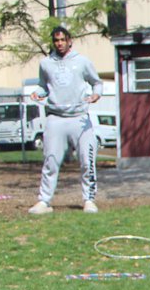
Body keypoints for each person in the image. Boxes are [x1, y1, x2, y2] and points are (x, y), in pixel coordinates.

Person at [27, 26, 103, 215]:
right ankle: (44, 201)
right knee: (51, 160)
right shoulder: (46, 63)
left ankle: (89, 200)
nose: (59, 44)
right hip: (56, 118)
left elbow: (97, 82)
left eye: (62, 40)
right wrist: (38, 93)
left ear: (70, 40)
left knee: (87, 159)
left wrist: (96, 95)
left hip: (79, 118)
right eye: (56, 40)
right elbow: (44, 86)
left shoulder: (82, 62)